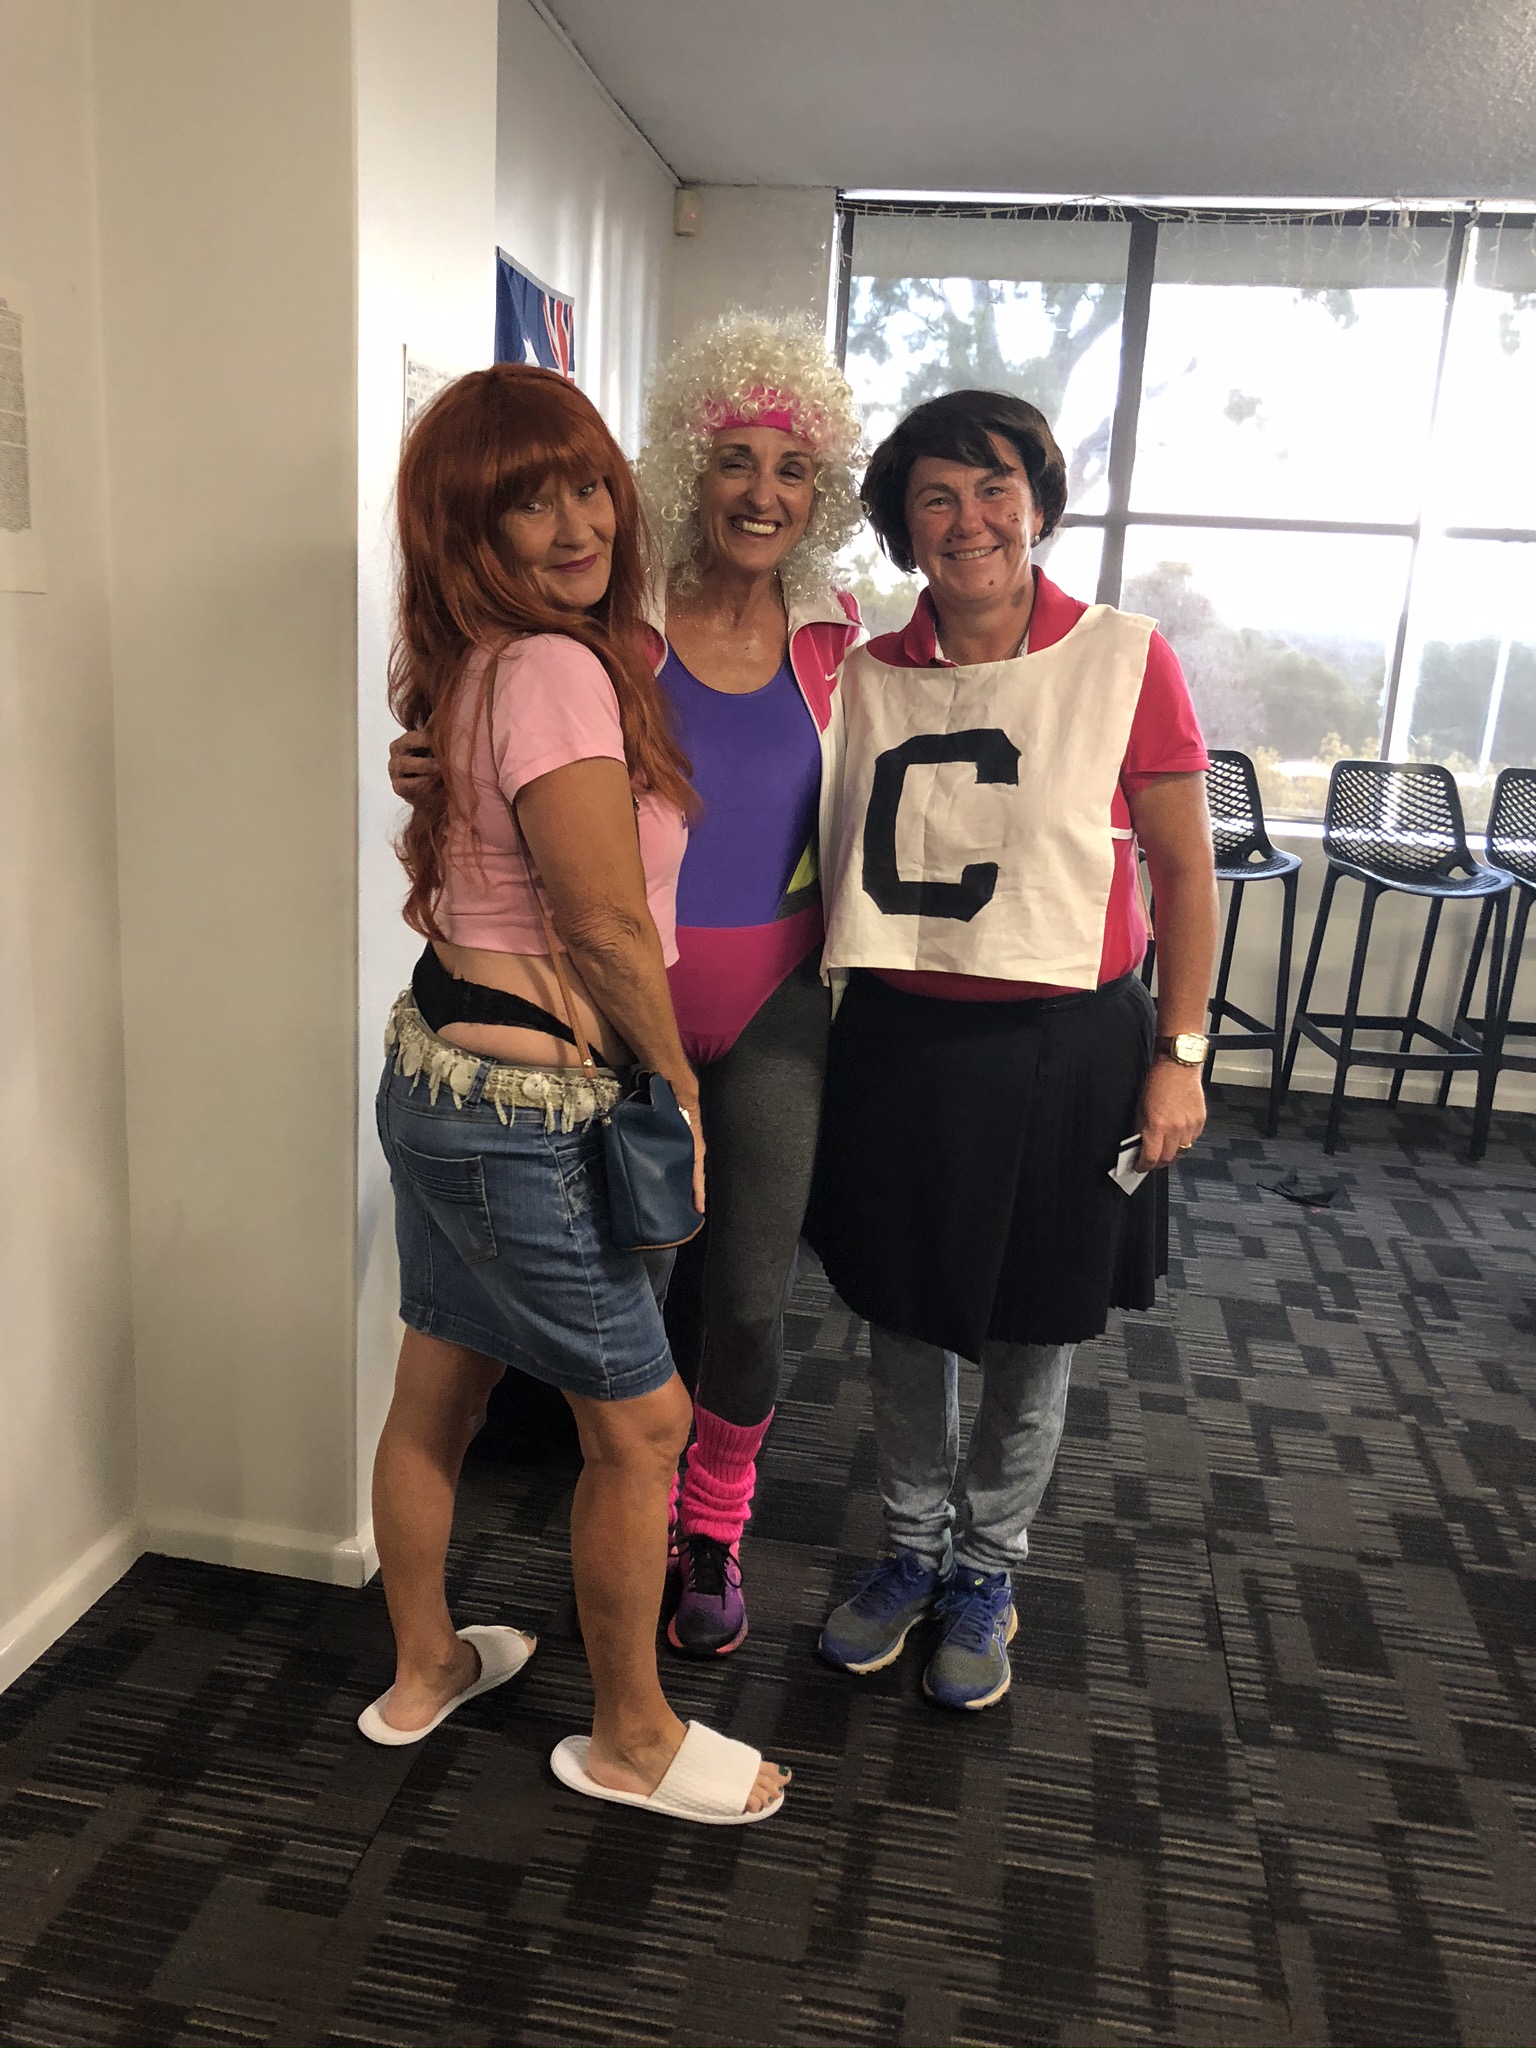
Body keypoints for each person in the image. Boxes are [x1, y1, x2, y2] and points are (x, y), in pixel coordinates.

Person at [392, 315, 864, 1659]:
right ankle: (635, 1520)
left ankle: (714, 1521)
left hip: (773, 1009)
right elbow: (499, 753)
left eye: (791, 468)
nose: (761, 493)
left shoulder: (841, 645)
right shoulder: (613, 631)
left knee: (752, 1296)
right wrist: (421, 759)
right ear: (683, 472)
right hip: (613, 1016)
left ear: (821, 493)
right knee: (635, 1299)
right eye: (734, 460)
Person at [365, 361, 787, 1824]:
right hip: (524, 1117)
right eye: (527, 505)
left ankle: (425, 1667)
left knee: (440, 1382)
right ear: (464, 532)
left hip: (439, 1076)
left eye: (587, 486)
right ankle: (634, 1739)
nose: (577, 525)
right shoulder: (550, 669)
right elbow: (604, 925)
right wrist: (674, 1088)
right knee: (645, 1428)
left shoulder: (484, 662)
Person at [807, 389, 1218, 1711]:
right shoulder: (859, 675)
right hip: (902, 1040)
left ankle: (990, 1566)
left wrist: (1182, 1050)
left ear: (1037, 506)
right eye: (937, 495)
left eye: (996, 489)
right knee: (907, 1317)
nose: (969, 520)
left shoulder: (1124, 657)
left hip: (1069, 1041)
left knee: (1035, 1322)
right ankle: (910, 1549)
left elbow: (1185, 868)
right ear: (903, 524)